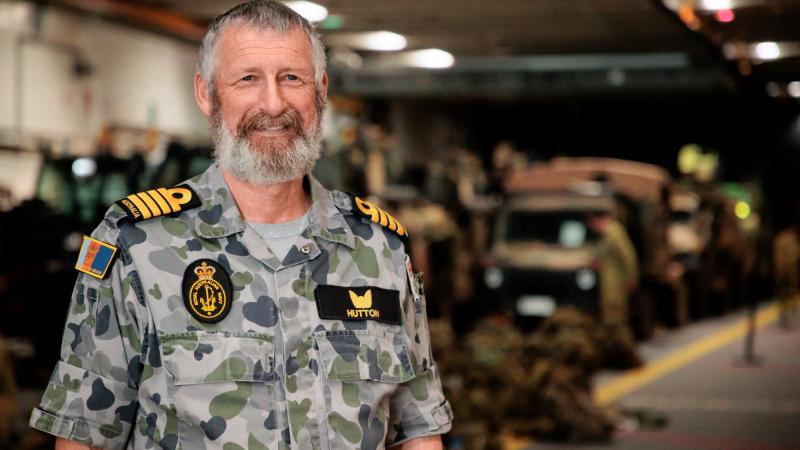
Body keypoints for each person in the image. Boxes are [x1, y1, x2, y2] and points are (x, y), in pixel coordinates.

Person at [29, 2, 452, 449]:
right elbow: (85, 436)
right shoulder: (136, 247)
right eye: (248, 78)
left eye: (292, 77)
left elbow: (419, 430)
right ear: (207, 94)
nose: (273, 103)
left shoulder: (379, 249)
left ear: (321, 90)